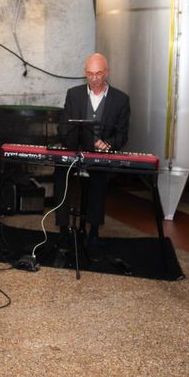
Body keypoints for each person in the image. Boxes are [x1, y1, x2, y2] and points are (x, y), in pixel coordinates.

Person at [54, 53, 130, 259]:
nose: (94, 78)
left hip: (100, 157)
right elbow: (63, 125)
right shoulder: (74, 94)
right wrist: (71, 141)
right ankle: (63, 231)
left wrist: (109, 144)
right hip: (76, 151)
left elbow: (123, 133)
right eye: (90, 74)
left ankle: (93, 232)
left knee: (99, 177)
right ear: (84, 73)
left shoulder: (121, 99)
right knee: (61, 172)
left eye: (98, 73)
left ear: (106, 72)